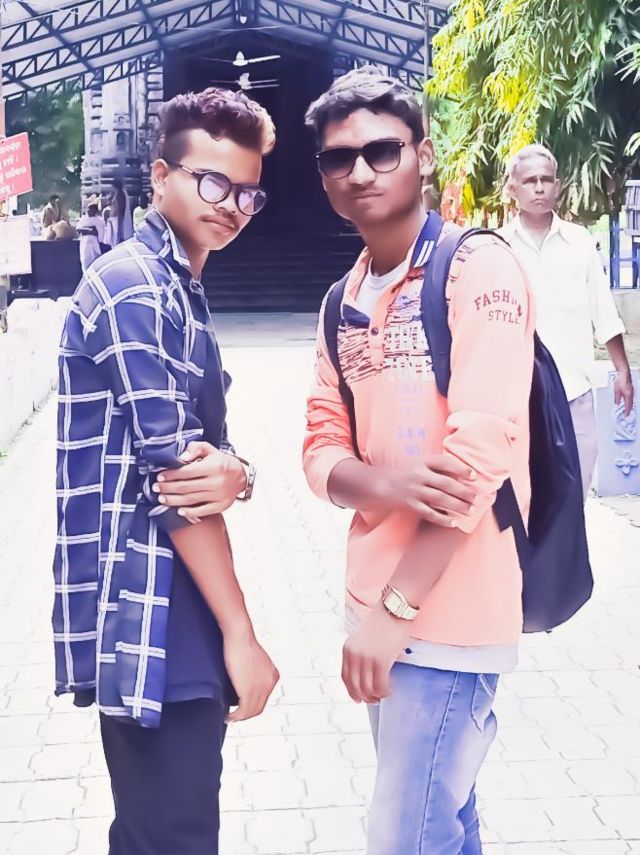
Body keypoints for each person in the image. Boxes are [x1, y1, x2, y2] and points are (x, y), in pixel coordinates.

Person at [301, 66, 535, 855]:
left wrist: (393, 613)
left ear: (423, 156)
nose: (361, 171)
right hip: (372, 601)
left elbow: (478, 456)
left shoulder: (477, 270)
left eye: (382, 150)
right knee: (444, 820)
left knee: (403, 836)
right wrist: (387, 483)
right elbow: (318, 447)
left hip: (450, 611)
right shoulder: (342, 299)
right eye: (339, 158)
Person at [52, 87, 279, 855]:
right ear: (160, 175)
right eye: (212, 182)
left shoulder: (181, 288)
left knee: (167, 830)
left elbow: (210, 459)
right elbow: (177, 478)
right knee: (171, 835)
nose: (233, 205)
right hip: (148, 601)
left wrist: (241, 472)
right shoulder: (135, 285)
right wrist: (242, 634)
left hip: (177, 601)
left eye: (247, 191)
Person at [499, 144, 634, 498]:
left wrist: (622, 371)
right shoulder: (497, 247)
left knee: (574, 497)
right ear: (513, 189)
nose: (539, 188)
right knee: (525, 500)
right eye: (529, 181)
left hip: (575, 394)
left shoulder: (580, 243)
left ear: (557, 186)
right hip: (517, 398)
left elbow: (604, 310)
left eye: (546, 180)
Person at [105, 178, 134, 246]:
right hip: (114, 220)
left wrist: (119, 228)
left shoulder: (120, 194)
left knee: (116, 242)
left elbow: (120, 210)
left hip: (117, 220)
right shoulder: (116, 193)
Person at [76, 202, 105, 272]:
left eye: (91, 209)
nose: (88, 211)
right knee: (85, 262)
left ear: (95, 211)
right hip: (84, 244)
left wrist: (86, 230)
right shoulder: (83, 219)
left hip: (93, 244)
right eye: (88, 209)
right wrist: (90, 230)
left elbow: (100, 234)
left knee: (93, 262)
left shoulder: (99, 220)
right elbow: (78, 229)